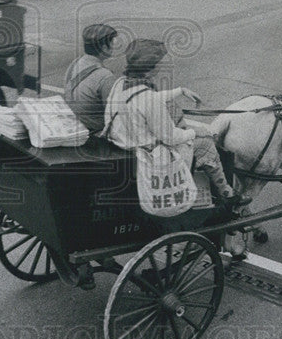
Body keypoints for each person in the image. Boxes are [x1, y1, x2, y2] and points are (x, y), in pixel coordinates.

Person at [103, 39, 249, 215]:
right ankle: (226, 192)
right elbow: (170, 137)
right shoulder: (150, 99)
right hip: (148, 153)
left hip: (122, 141)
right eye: (160, 63)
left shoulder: (121, 83)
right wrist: (194, 132)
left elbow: (140, 100)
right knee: (206, 143)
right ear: (152, 67)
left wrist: (180, 91)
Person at [64, 24, 120, 134]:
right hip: (94, 133)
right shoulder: (104, 76)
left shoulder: (75, 63)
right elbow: (113, 114)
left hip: (75, 125)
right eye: (112, 43)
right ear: (104, 48)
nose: (114, 47)